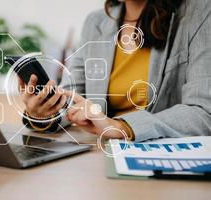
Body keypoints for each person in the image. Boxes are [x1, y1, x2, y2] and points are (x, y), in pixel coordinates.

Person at [18, 0, 211, 142]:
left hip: (162, 161)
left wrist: (120, 127)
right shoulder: (95, 22)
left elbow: (203, 112)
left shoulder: (199, 12)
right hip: (99, 155)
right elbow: (72, 98)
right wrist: (43, 113)